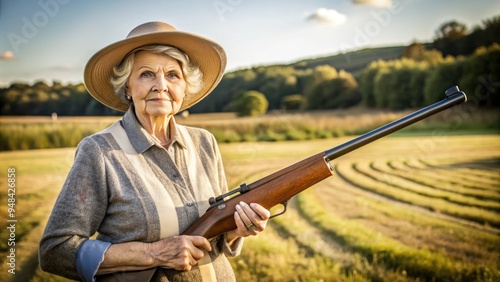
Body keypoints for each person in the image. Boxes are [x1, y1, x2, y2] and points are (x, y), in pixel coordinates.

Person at [39, 21, 271, 282]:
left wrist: (237, 229)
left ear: (185, 87)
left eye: (173, 75)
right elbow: (55, 251)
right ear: (127, 87)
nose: (161, 85)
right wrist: (153, 254)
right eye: (147, 74)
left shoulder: (205, 142)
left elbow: (215, 233)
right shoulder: (99, 151)